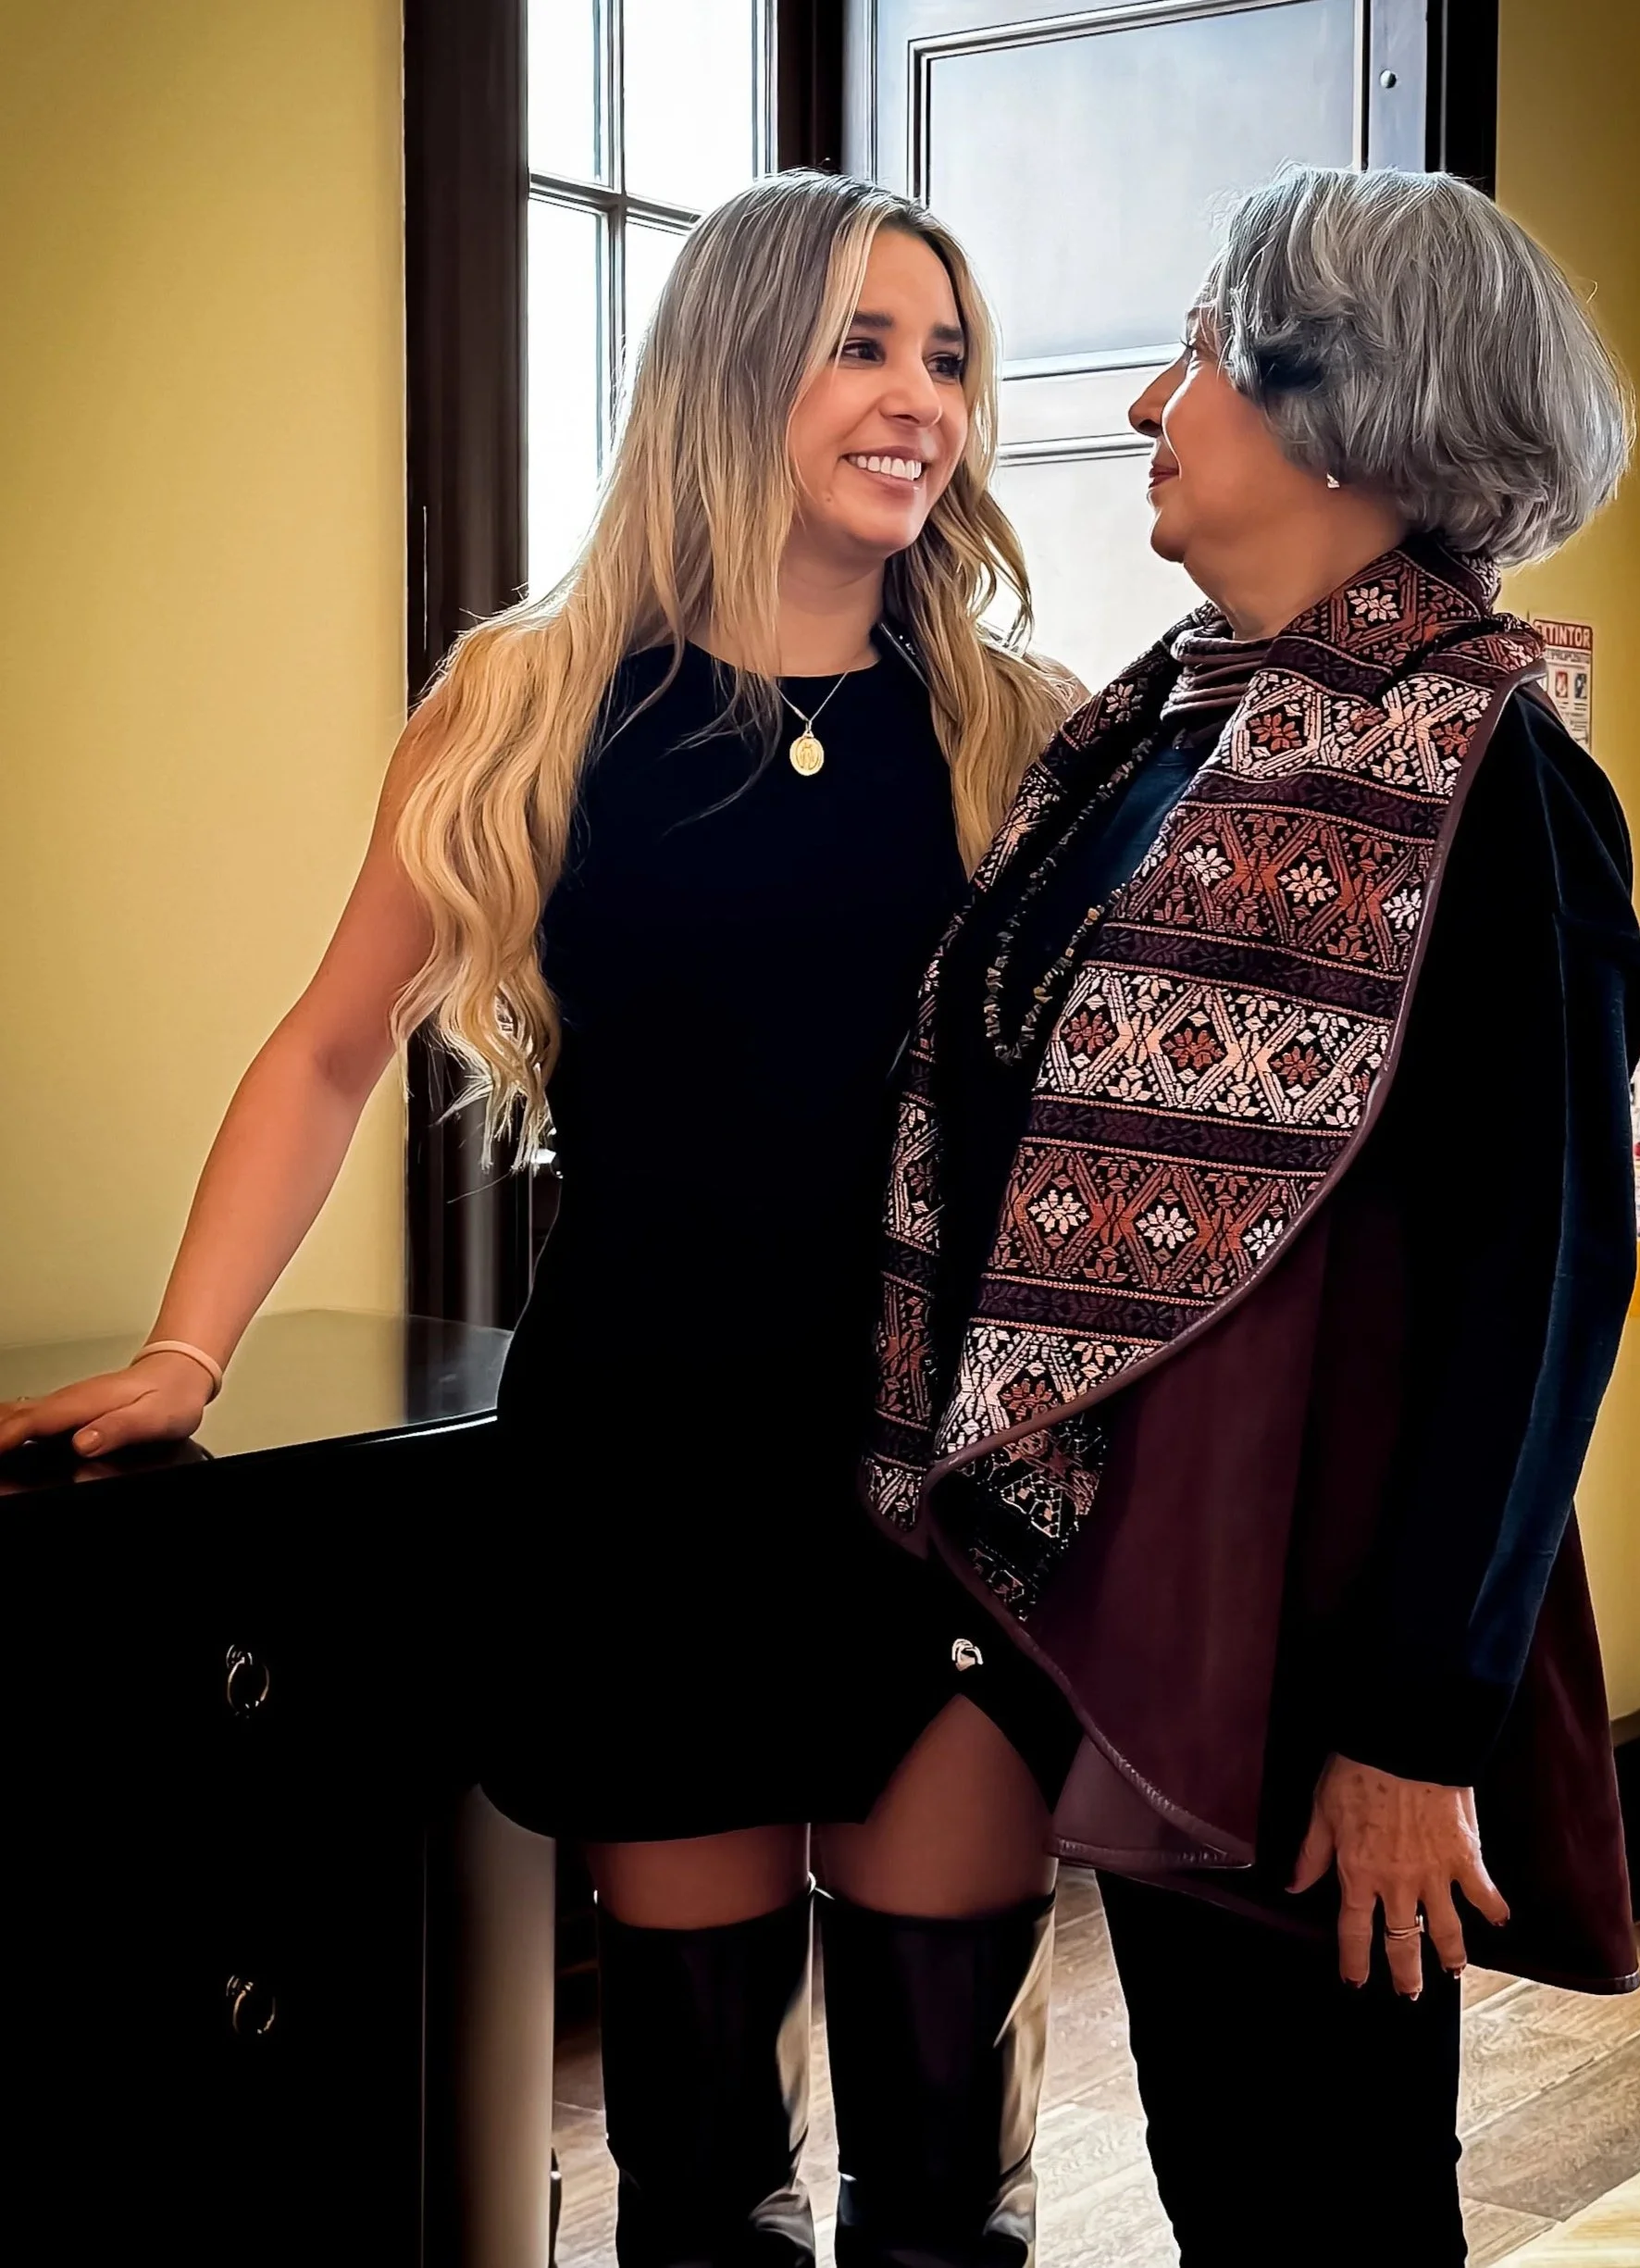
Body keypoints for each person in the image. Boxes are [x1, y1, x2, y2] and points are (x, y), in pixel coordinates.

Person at [0, 171, 1079, 2268]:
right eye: (859, 343)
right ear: (726, 366)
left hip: (932, 1485)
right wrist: (185, 1351)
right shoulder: (522, 699)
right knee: (695, 2191)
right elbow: (328, 1048)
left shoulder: (1014, 730)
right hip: (647, 1476)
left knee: (945, 2196)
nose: (915, 400)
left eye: (943, 354)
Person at [860, 163, 1640, 2264]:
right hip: (1148, 1568)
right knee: (1227, 2171)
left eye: (1196, 354)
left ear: (1331, 413)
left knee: (1330, 2203)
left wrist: (1416, 1729)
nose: (1144, 409)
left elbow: (1543, 1282)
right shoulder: (1165, 727)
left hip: (1324, 1634)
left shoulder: (1492, 771)